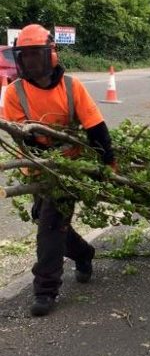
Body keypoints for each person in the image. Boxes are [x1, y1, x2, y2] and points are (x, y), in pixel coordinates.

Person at [3, 24, 117, 317]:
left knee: (50, 223)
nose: (30, 63)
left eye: (36, 55)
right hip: (38, 165)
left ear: (51, 54)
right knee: (45, 218)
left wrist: (107, 164)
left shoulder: (71, 86)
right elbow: (24, 139)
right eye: (24, 57)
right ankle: (84, 253)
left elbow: (96, 129)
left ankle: (45, 290)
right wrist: (43, 163)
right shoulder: (14, 92)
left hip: (72, 165)